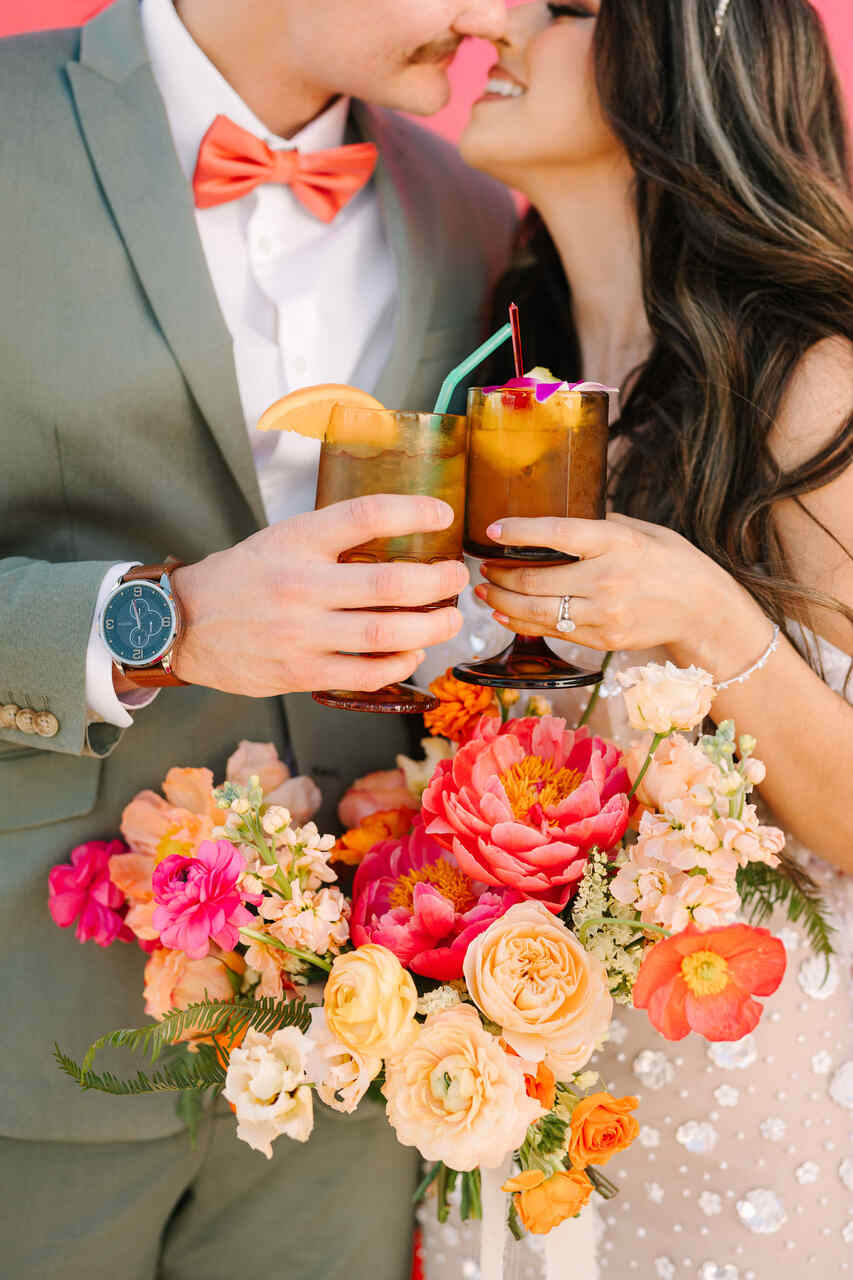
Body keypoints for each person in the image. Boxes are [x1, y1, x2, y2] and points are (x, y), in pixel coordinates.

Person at [0, 0, 516, 1275]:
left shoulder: (471, 209)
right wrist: (165, 620)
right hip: (26, 1031)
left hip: (355, 1060)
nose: (492, 21)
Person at [421, 0, 853, 1275]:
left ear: (679, 60)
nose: (489, 25)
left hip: (742, 1151)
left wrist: (705, 613)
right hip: (507, 1143)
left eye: (556, 8)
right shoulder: (493, 384)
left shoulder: (808, 387)